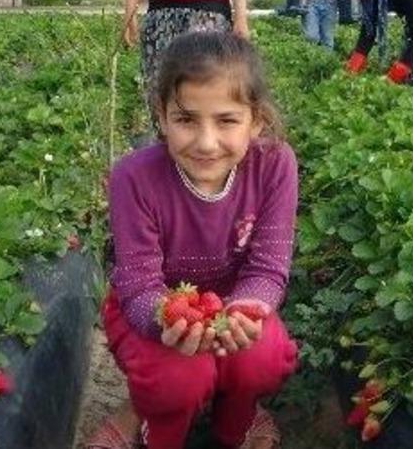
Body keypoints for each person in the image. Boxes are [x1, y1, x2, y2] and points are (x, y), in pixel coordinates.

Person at [88, 31, 298, 449]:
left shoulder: (274, 165)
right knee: (178, 379)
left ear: (255, 120)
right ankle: (157, 427)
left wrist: (245, 309)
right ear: (162, 117)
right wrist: (168, 319)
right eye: (185, 119)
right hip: (155, 311)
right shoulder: (134, 177)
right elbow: (139, 283)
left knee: (263, 359)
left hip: (233, 304)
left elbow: (267, 269)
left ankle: (234, 423)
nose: (205, 142)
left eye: (227, 120)